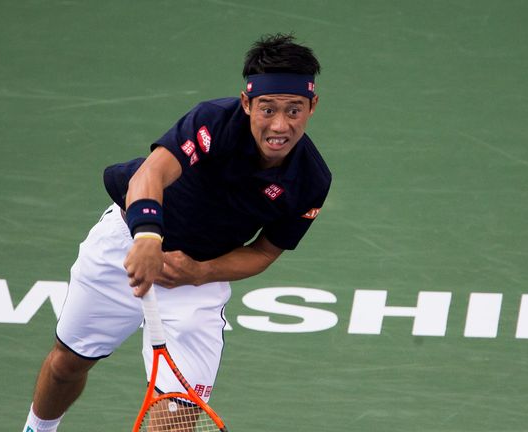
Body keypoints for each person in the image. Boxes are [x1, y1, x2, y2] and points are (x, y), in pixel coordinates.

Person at [22, 33, 331, 432]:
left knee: (176, 413)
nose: (279, 125)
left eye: (294, 111)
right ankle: (38, 429)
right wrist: (148, 237)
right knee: (68, 363)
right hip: (127, 242)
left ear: (312, 107)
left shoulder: (310, 180)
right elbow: (151, 173)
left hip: (197, 277)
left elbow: (266, 251)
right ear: (246, 102)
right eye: (268, 109)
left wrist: (200, 273)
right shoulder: (212, 122)